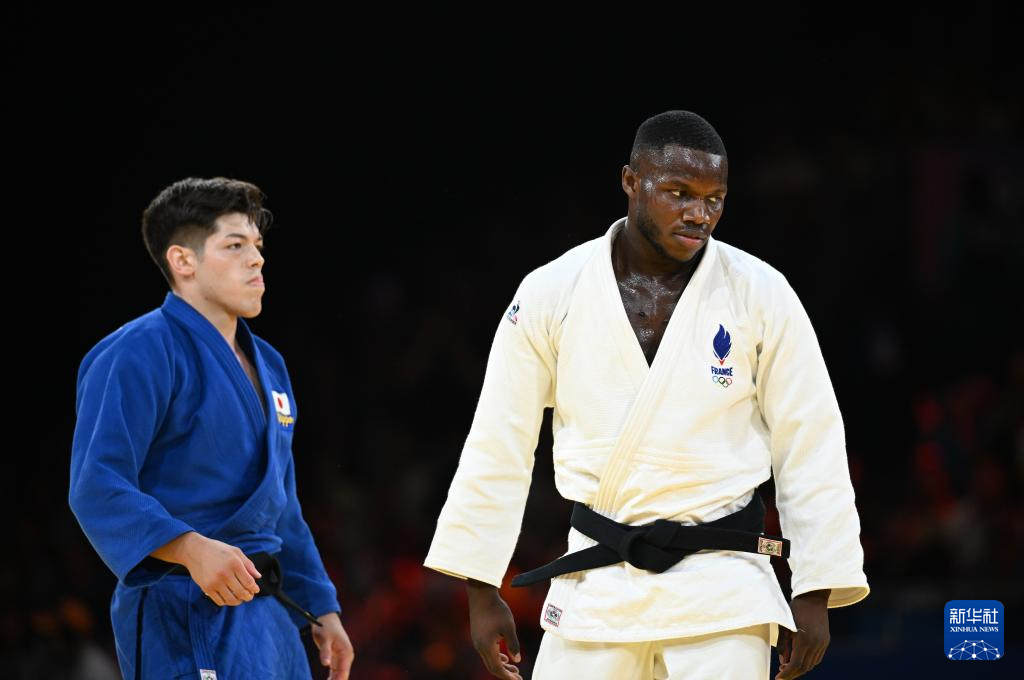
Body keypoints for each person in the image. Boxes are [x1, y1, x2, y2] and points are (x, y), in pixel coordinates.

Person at [424, 111, 869, 680]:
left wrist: (815, 587)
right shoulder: (551, 291)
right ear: (631, 181)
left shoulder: (761, 293)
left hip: (724, 591)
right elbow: (499, 440)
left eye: (714, 199)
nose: (699, 214)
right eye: (679, 193)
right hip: (595, 590)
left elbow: (810, 442)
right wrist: (481, 588)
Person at [69, 177, 354, 679]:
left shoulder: (271, 365)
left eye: (258, 245)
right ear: (183, 261)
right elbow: (97, 486)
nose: (257, 259)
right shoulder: (136, 352)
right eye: (235, 245)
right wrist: (189, 547)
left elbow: (282, 506)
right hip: (183, 607)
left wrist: (321, 606)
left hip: (269, 620)